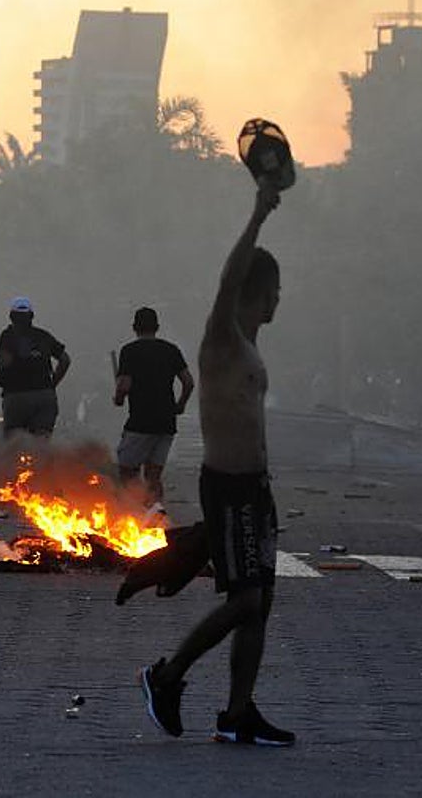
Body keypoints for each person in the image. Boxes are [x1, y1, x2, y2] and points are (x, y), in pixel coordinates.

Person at [138, 180, 295, 747]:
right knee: (245, 599)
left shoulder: (249, 347)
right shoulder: (222, 339)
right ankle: (166, 676)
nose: (280, 301)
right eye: (276, 291)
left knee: (260, 603)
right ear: (260, 292)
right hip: (228, 487)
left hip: (255, 488)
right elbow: (229, 279)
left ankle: (237, 713)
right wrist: (258, 214)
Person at [113, 307, 194, 509]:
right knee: (154, 476)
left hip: (140, 422)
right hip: (166, 422)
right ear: (157, 327)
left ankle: (132, 513)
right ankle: (156, 514)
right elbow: (188, 382)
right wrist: (180, 405)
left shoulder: (129, 351)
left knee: (127, 471)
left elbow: (124, 385)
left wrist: (119, 398)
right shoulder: (171, 350)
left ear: (134, 327)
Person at [0, 297, 70, 438]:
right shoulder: (43, 336)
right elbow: (65, 360)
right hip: (44, 396)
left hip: (16, 397)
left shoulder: (7, 336)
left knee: (15, 442)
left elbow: (3, 361)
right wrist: (52, 384)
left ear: (11, 317)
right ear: (31, 316)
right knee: (41, 440)